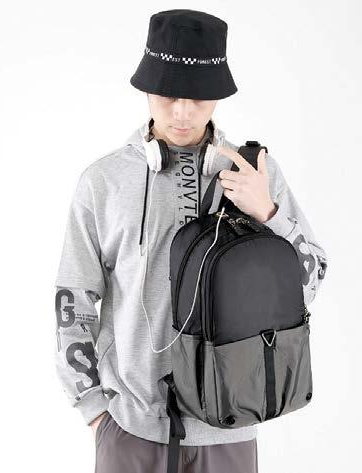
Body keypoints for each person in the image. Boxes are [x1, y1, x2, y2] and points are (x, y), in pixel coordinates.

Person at [53, 9, 328, 473]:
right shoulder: (104, 181)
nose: (182, 113)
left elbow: (312, 281)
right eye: (167, 96)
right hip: (129, 430)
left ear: (217, 96)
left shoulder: (255, 173)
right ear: (146, 90)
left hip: (229, 430)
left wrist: (268, 212)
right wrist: (94, 410)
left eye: (198, 98)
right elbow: (74, 297)